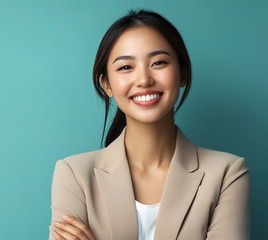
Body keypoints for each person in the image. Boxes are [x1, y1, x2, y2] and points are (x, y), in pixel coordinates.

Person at [49, 10, 250, 240]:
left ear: (182, 73)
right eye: (126, 67)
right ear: (107, 85)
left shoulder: (227, 173)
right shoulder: (74, 175)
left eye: (159, 62)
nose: (144, 80)